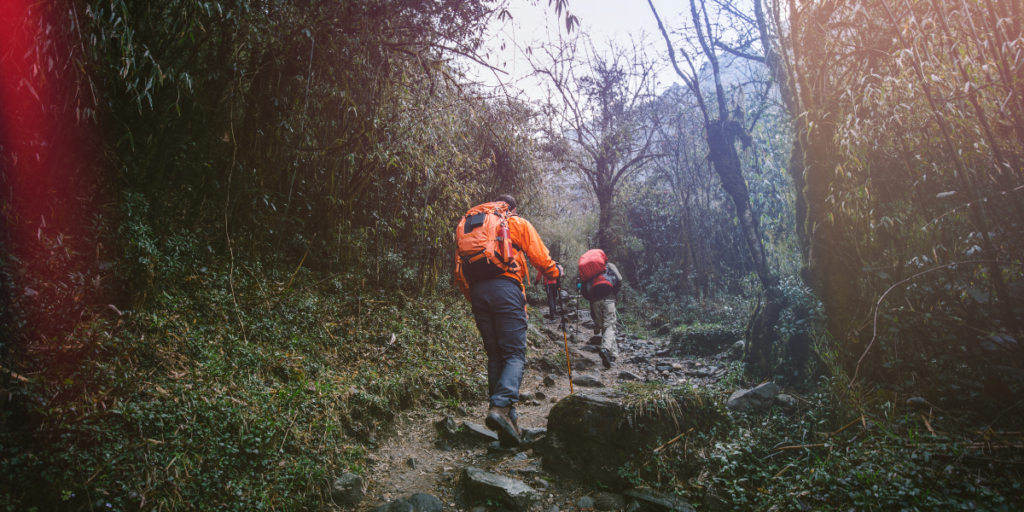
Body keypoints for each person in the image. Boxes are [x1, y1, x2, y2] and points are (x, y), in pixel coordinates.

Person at [454, 194, 562, 447]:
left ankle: (508, 422)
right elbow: (539, 256)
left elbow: (459, 270)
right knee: (514, 355)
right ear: (511, 208)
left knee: (495, 355)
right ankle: (501, 407)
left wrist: (475, 298)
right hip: (506, 288)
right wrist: (555, 271)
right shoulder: (513, 222)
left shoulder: (471, 226)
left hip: (478, 292)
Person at [578, 249, 622, 369]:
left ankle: (612, 355)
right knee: (610, 326)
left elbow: (583, 290)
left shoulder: (588, 271)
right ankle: (605, 349)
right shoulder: (609, 266)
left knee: (604, 327)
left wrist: (591, 299)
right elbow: (619, 279)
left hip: (595, 301)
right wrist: (614, 293)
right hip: (609, 298)